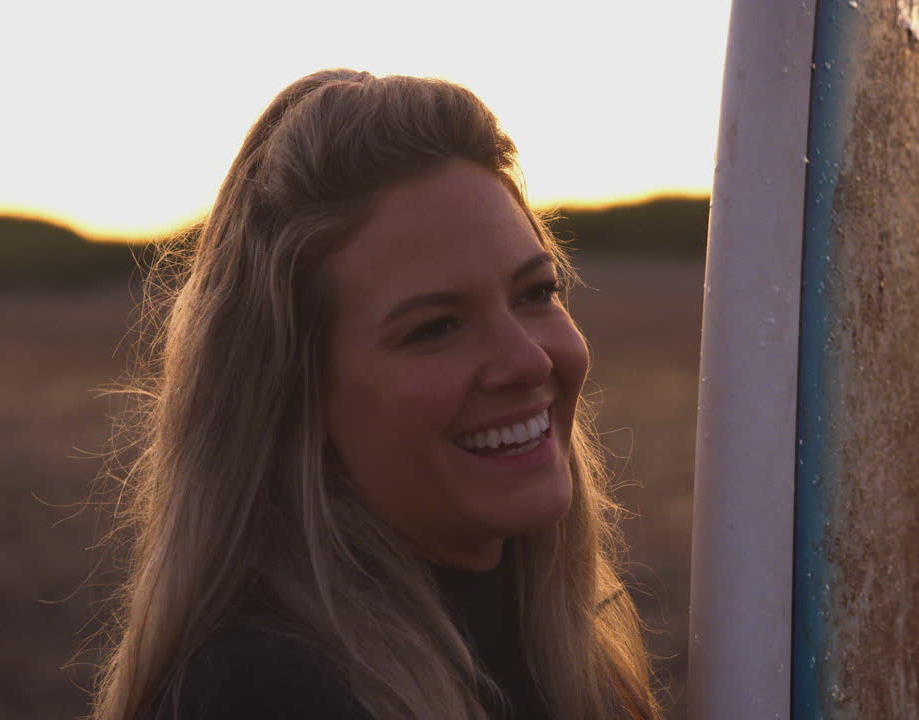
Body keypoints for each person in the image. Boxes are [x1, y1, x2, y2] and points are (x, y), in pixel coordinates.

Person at [90, 69, 661, 720]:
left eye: (535, 293)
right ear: (293, 396)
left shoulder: (564, 659)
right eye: (436, 327)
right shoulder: (263, 694)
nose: (528, 361)